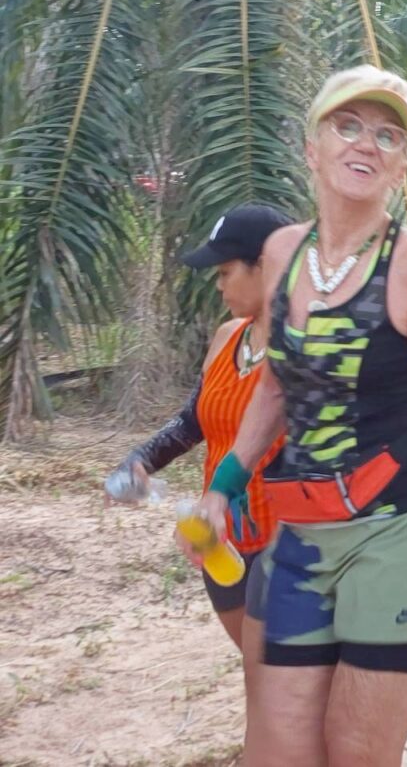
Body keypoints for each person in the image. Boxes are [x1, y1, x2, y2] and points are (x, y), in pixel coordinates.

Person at [194, 65, 407, 765]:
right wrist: (223, 486)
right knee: (279, 750)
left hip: (398, 530)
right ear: (311, 147)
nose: (366, 143)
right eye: (347, 125)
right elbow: (276, 387)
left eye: (387, 135)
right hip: (300, 531)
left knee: (356, 751)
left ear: (401, 166)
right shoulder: (282, 253)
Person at [106, 204, 292, 651]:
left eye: (226, 272)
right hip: (220, 541)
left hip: (287, 547)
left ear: (265, 266)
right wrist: (142, 460)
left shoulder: (308, 350)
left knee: (289, 682)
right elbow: (193, 421)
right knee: (258, 676)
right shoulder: (229, 338)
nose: (219, 284)